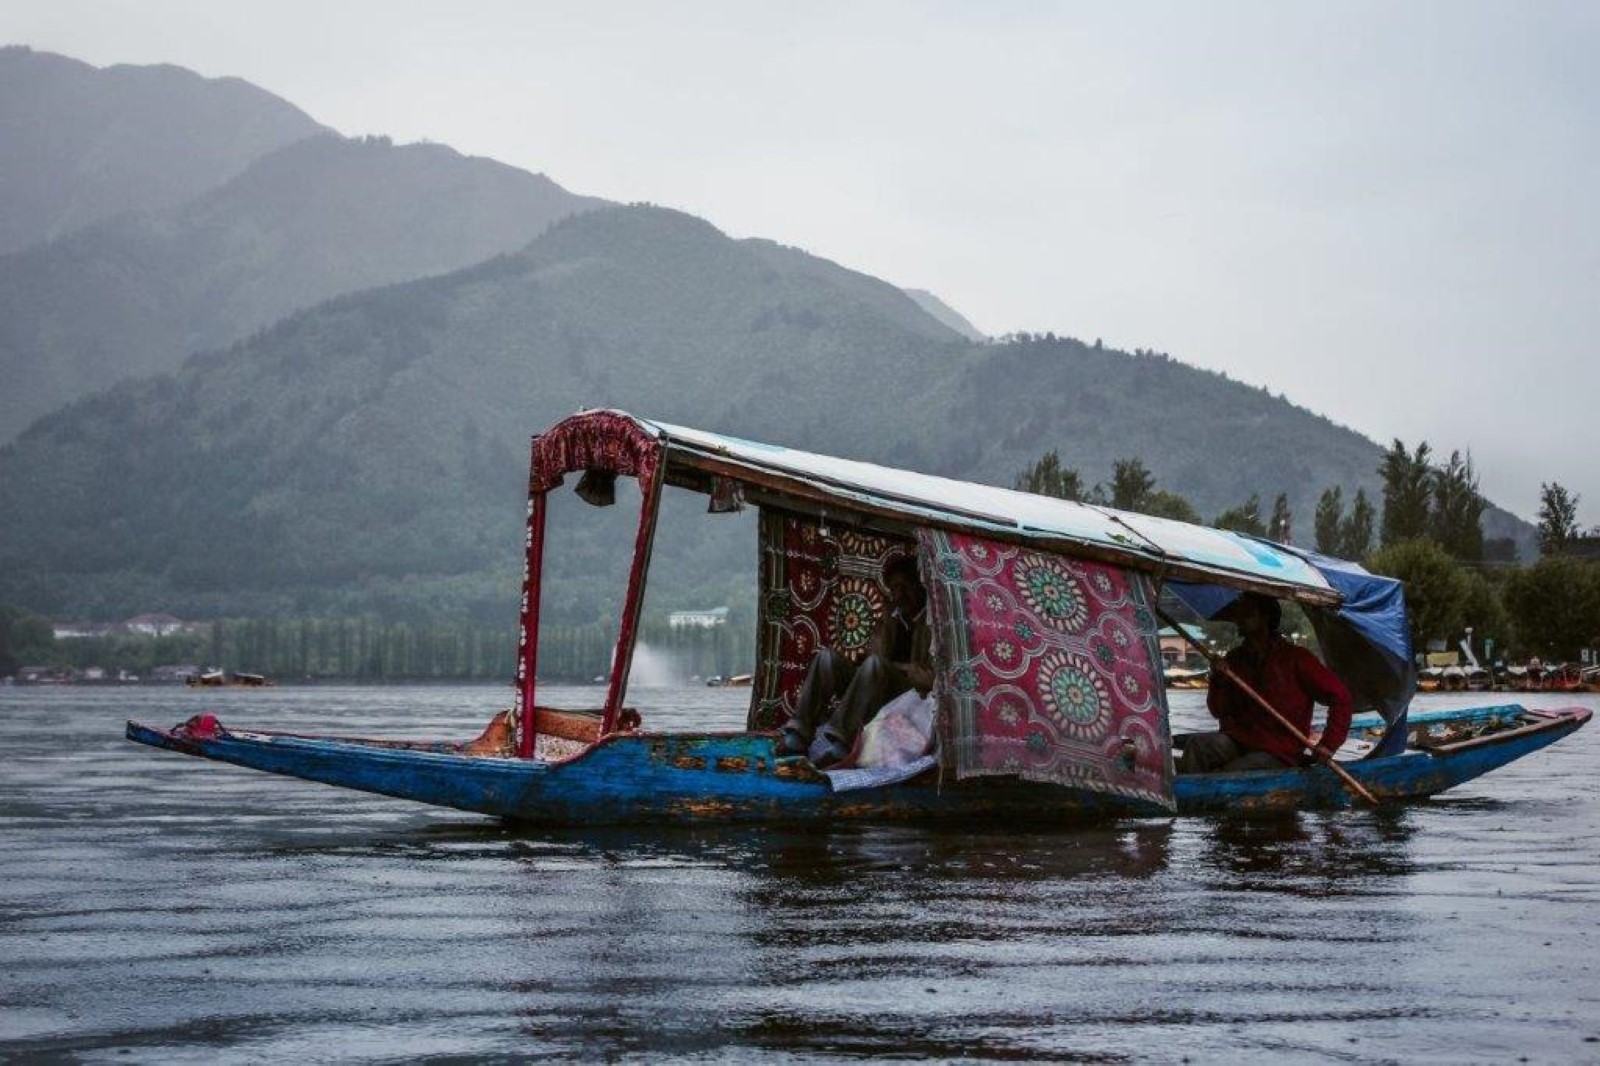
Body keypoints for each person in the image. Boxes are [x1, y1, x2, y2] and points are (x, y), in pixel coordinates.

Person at [778, 553, 934, 766]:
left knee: (875, 666)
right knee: (827, 659)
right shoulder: (891, 619)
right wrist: (887, 626)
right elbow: (873, 657)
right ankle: (799, 734)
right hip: (874, 689)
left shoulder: (933, 623)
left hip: (909, 699)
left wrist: (897, 668)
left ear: (919, 587)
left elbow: (929, 679)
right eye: (894, 589)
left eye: (905, 587)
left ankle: (842, 743)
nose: (899, 595)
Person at [1178, 592, 1353, 774]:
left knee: (1233, 772)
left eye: (1249, 613)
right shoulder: (1234, 660)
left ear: (1266, 618)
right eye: (1240, 613)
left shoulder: (1297, 658)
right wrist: (1218, 678)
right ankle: (1184, 799)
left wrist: (1328, 745)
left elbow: (1341, 698)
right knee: (1197, 746)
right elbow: (1218, 710)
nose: (1241, 618)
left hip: (1278, 750)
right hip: (1238, 741)